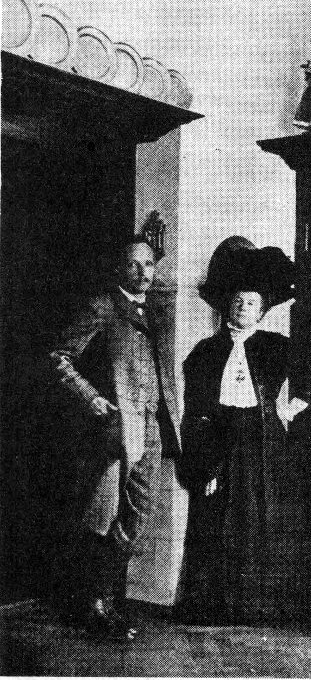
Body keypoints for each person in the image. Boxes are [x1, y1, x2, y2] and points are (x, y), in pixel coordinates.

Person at [48, 238, 180, 640]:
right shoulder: (102, 307)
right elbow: (59, 357)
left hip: (152, 428)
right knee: (102, 516)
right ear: (120, 268)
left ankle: (106, 599)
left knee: (136, 516)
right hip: (117, 431)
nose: (143, 272)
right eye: (134, 264)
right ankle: (95, 604)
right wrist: (91, 397)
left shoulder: (155, 310)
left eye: (149, 264)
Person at [178, 237, 309, 625]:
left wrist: (289, 410)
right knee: (216, 520)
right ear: (227, 305)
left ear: (262, 310)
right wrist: (202, 461)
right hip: (220, 440)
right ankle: (214, 605)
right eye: (238, 301)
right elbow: (196, 411)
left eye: (251, 303)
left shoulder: (278, 347)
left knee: (259, 520)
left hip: (263, 441)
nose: (243, 307)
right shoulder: (205, 351)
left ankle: (258, 606)